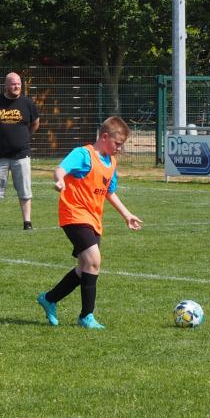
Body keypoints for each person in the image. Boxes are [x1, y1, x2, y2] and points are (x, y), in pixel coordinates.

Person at [35, 116, 142, 329]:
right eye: (117, 144)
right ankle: (86, 316)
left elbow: (110, 192)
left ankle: (49, 298)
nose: (119, 149)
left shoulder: (111, 163)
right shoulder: (83, 155)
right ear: (105, 137)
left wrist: (127, 214)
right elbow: (60, 169)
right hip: (74, 214)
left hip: (93, 219)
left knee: (85, 267)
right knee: (93, 260)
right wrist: (59, 180)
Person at [0, 71, 40, 231]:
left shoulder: (27, 103)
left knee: (24, 189)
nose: (17, 86)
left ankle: (27, 222)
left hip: (21, 154)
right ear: (6, 85)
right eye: (13, 84)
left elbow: (35, 123)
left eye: (19, 84)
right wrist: (0, 133)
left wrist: (24, 136)